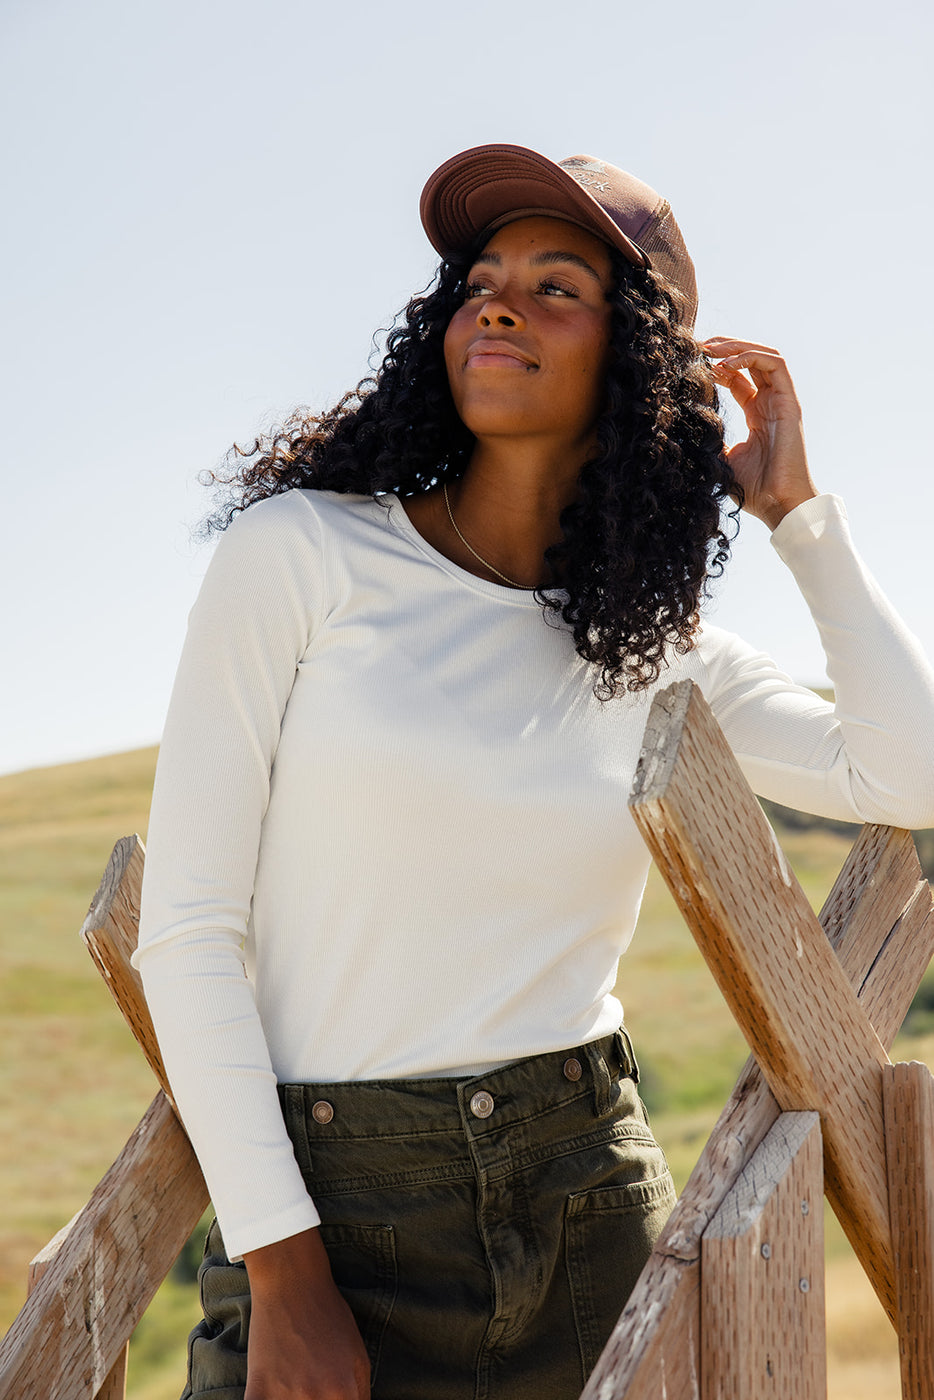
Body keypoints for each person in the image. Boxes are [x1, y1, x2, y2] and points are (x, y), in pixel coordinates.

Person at [134, 144, 934, 1400]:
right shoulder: (301, 557)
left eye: (558, 286)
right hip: (334, 1216)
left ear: (642, 362)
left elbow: (908, 771)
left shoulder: (658, 651)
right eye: (480, 279)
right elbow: (183, 931)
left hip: (587, 1199)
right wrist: (285, 1277)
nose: (497, 303)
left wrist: (799, 520)